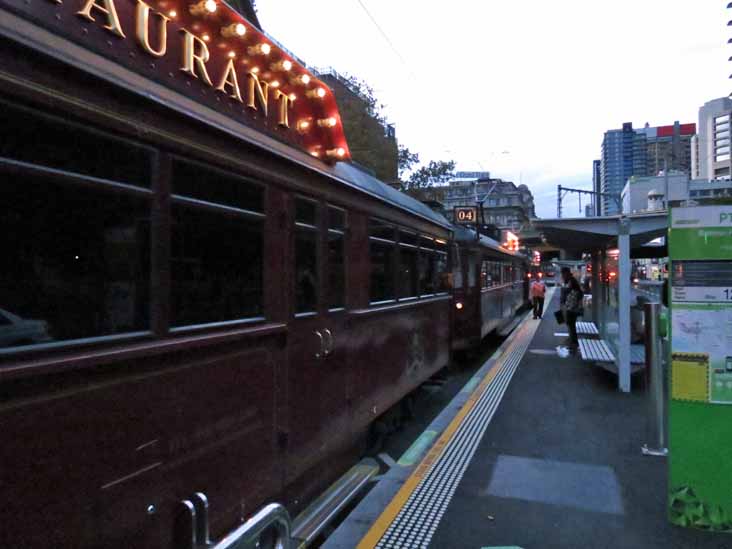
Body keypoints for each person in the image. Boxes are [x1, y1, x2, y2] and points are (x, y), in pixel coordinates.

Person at [560, 267, 583, 350]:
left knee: (571, 324)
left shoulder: (572, 281)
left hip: (571, 307)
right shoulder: (570, 281)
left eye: (563, 274)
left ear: (566, 273)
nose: (562, 276)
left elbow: (578, 293)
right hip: (569, 306)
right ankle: (572, 340)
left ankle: (574, 342)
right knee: (570, 324)